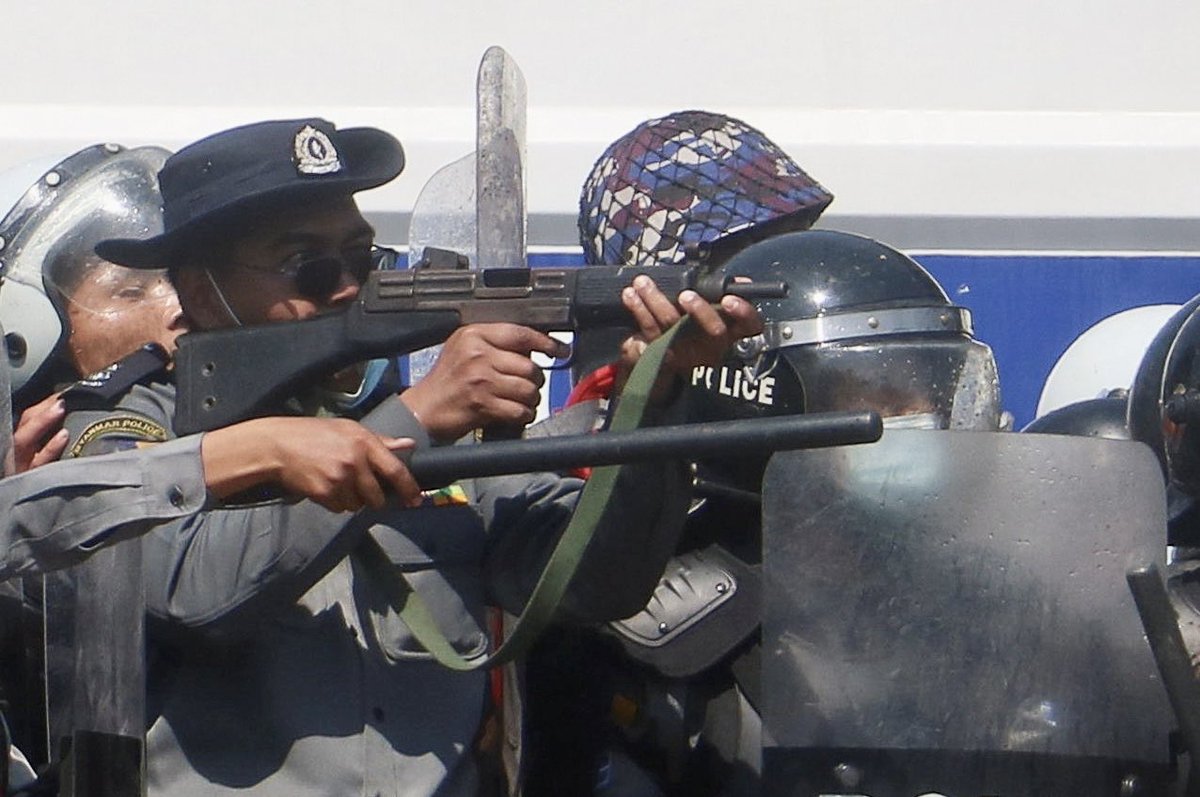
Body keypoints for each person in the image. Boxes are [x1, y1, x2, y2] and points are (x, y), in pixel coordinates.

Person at [64, 117, 761, 796]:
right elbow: (195, 593)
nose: (347, 287)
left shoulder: (430, 423)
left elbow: (597, 583)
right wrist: (419, 416)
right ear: (199, 293)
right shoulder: (134, 434)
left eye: (363, 259)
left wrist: (658, 395)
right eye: (309, 267)